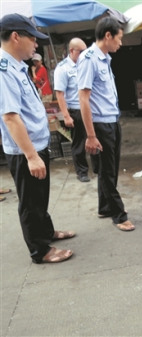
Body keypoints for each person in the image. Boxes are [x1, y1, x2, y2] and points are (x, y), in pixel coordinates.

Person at [0, 13, 75, 263]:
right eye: (32, 38)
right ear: (15, 36)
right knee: (30, 202)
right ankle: (39, 250)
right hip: (25, 151)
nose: (36, 44)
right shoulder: (4, 69)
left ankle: (47, 233)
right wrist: (31, 156)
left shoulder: (18, 66)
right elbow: (10, 117)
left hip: (36, 144)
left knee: (40, 196)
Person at [77, 17, 134, 232]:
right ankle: (119, 215)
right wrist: (91, 135)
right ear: (107, 36)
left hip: (112, 121)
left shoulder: (104, 58)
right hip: (101, 125)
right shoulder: (89, 59)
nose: (121, 43)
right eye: (118, 38)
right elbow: (84, 98)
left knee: (108, 169)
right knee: (109, 171)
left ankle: (104, 207)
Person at [54, 37, 98, 183]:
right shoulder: (63, 68)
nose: (84, 53)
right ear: (72, 51)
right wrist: (66, 116)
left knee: (95, 139)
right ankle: (82, 172)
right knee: (79, 143)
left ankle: (97, 168)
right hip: (76, 110)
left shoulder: (87, 64)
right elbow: (59, 94)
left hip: (91, 109)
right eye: (81, 51)